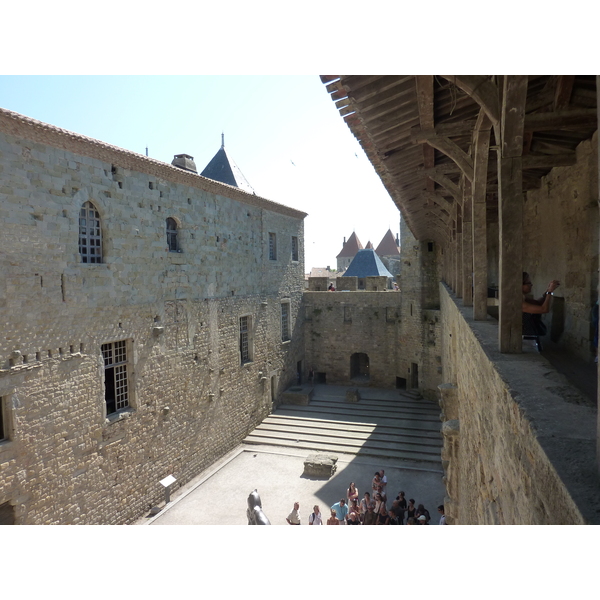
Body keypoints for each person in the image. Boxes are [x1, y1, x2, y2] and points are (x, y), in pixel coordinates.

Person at [522, 272, 560, 343]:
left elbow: (538, 303)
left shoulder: (522, 297)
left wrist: (548, 290)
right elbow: (544, 309)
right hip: (525, 336)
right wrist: (550, 292)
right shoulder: (517, 301)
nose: (531, 285)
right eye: (528, 283)